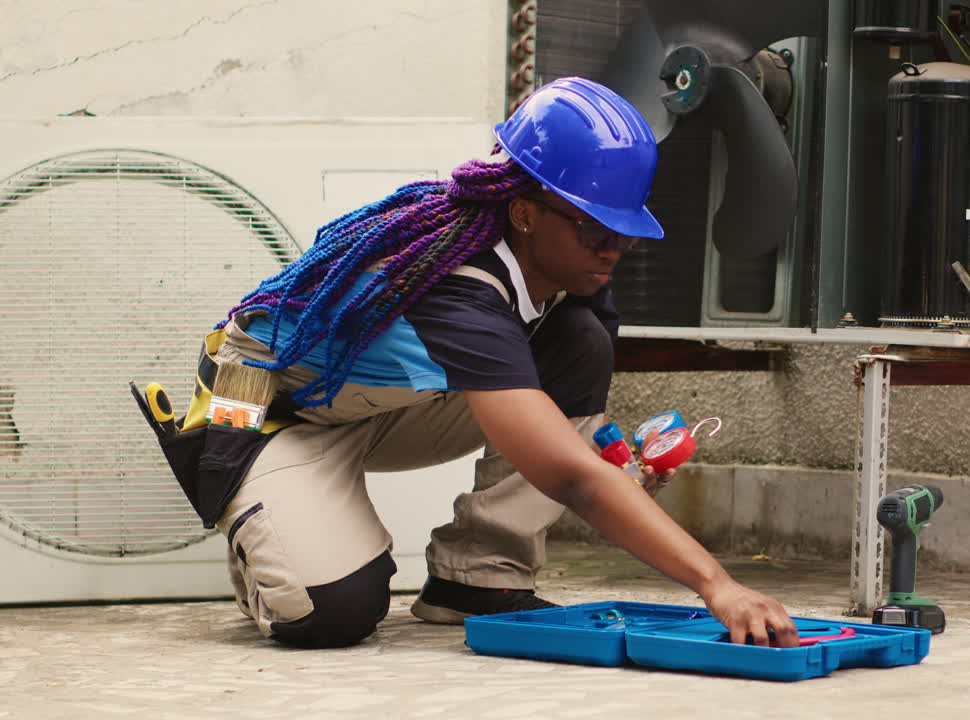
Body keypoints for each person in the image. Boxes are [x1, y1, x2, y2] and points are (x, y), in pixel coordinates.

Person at [156, 77, 798, 650]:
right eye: (594, 228)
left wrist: (615, 462)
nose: (612, 249)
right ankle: (261, 519)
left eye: (624, 232)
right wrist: (717, 584)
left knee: (581, 341)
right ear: (524, 213)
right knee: (333, 613)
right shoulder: (459, 285)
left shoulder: (572, 270)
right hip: (268, 408)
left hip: (380, 403)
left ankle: (479, 577)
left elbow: (572, 428)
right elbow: (568, 477)